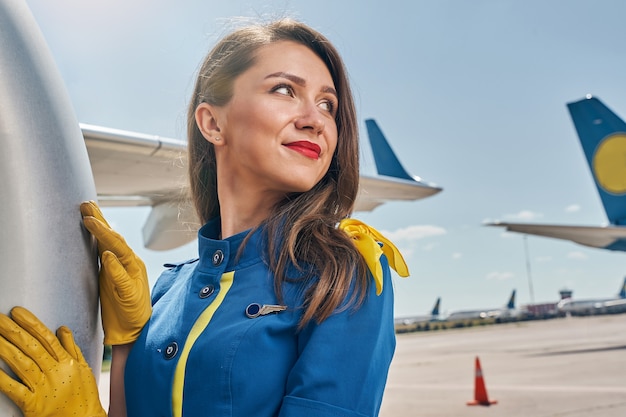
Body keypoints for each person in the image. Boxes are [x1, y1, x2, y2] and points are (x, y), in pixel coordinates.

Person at [0, 18, 408, 417]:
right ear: (212, 122)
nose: (316, 120)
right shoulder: (163, 292)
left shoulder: (343, 275)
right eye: (285, 90)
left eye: (327, 104)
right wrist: (123, 344)